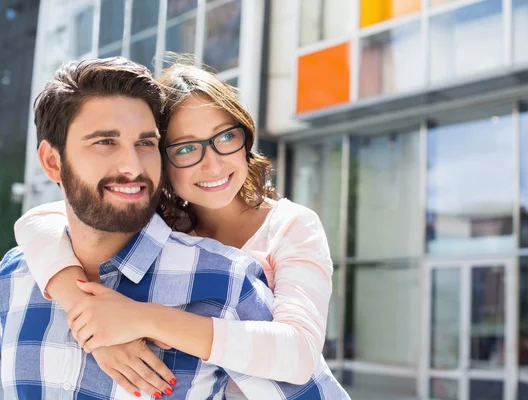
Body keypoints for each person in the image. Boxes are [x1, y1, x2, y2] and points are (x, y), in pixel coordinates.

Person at [2, 57, 348, 399]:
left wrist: (141, 319)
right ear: (163, 163)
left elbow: (299, 355)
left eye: (226, 137)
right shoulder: (162, 221)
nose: (212, 163)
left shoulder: (281, 233)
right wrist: (88, 318)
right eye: (185, 148)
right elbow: (39, 222)